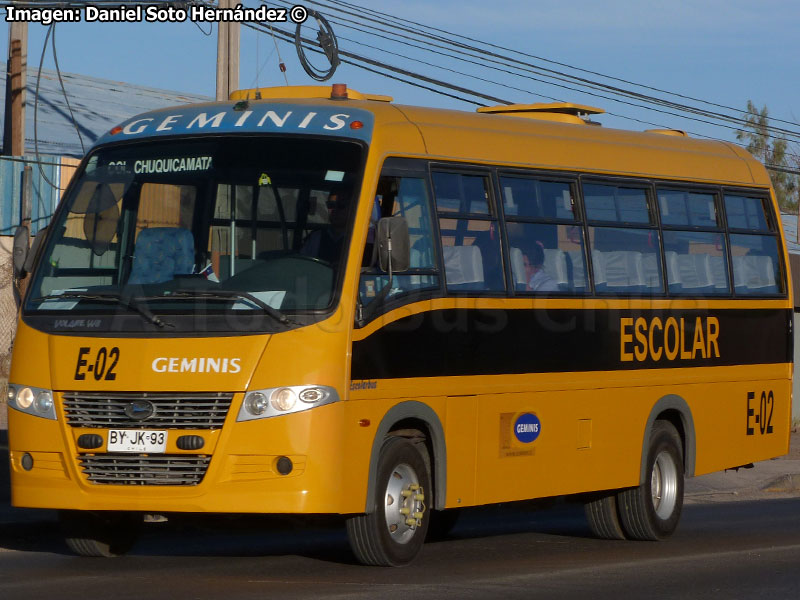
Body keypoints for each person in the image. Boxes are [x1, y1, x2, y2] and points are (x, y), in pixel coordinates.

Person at [301, 192, 349, 263]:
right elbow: (302, 263)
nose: (334, 210)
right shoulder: (315, 237)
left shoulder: (359, 240)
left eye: (341, 206)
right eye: (331, 205)